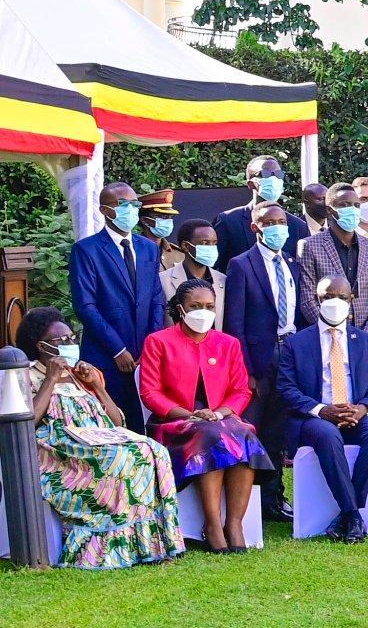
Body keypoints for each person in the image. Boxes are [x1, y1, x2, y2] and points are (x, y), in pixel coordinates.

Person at [16, 308, 184, 570]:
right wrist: (50, 379)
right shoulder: (26, 375)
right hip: (60, 451)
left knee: (155, 450)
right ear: (41, 346)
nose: (71, 345)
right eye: (62, 342)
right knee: (119, 457)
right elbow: (28, 420)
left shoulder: (80, 375)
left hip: (99, 440)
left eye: (73, 339)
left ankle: (155, 544)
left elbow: (117, 422)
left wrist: (97, 387)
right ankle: (112, 550)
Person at [138, 279, 271, 551]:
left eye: (209, 306)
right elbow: (150, 392)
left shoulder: (228, 343)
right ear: (180, 309)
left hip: (220, 420)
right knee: (212, 435)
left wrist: (220, 413)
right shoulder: (158, 341)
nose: (204, 312)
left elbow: (241, 390)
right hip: (173, 424)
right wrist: (189, 415)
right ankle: (212, 524)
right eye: (195, 306)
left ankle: (234, 523)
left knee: (243, 434)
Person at [275, 274, 368, 543]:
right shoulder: (296, 342)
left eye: (341, 297)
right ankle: (353, 513)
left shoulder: (366, 341)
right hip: (315, 418)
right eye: (327, 297)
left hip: (357, 414)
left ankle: (348, 514)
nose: (334, 302)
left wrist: (362, 409)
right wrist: (321, 410)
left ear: (352, 300)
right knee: (328, 436)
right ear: (317, 300)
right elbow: (287, 389)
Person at [222, 201, 307, 523]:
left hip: (290, 350)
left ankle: (274, 498)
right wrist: (245, 371)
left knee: (278, 430)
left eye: (281, 221)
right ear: (255, 227)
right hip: (259, 357)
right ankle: (248, 499)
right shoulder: (241, 265)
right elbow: (235, 323)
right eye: (269, 222)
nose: (277, 227)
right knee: (252, 429)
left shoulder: (291, 262)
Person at [69, 181, 164, 433]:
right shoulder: (86, 250)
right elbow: (85, 306)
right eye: (123, 205)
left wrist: (150, 345)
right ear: (105, 210)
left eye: (135, 204)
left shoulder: (148, 248)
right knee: (110, 425)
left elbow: (156, 299)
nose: (131, 210)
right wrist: (117, 349)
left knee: (144, 425)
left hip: (144, 356)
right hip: (105, 356)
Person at [297, 183, 368, 336]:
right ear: (329, 210)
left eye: (356, 205)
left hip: (365, 337)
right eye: (344, 205)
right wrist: (332, 332)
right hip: (327, 336)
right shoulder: (310, 246)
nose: (352, 209)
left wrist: (367, 336)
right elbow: (307, 299)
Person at [215, 155, 308, 261]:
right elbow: (214, 267)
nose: (273, 179)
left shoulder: (298, 226)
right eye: (265, 174)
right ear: (250, 184)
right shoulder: (228, 221)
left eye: (278, 174)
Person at [160, 219, 225, 325]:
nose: (211, 249)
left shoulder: (222, 280)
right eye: (205, 243)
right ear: (185, 246)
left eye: (214, 243)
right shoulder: (163, 280)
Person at [138, 189, 181, 269]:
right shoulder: (132, 250)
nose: (167, 220)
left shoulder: (179, 255)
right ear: (144, 220)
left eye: (169, 217)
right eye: (162, 216)